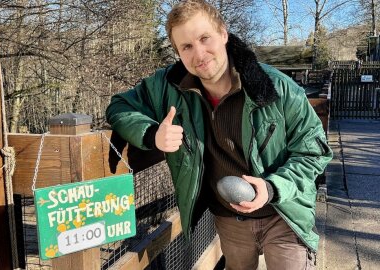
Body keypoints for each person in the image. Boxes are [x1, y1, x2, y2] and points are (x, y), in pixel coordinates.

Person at [106, 0, 333, 269]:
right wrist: (151, 134)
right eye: (187, 46)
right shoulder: (167, 87)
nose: (199, 54)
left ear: (223, 34)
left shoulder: (279, 89)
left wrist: (272, 187)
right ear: (178, 52)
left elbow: (314, 152)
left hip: (284, 214)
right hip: (229, 218)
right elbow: (119, 106)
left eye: (205, 38)